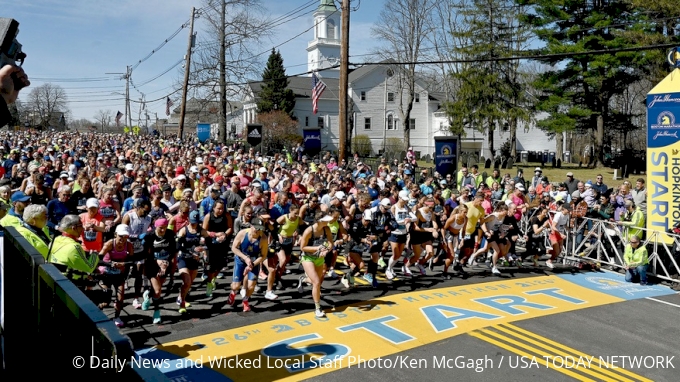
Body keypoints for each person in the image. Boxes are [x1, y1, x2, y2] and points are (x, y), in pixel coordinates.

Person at [227, 217, 268, 312]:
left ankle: (245, 300)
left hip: (254, 262)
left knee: (251, 285)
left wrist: (252, 264)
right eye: (256, 228)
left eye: (260, 228)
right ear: (251, 226)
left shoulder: (263, 238)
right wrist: (245, 258)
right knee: (235, 285)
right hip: (241, 260)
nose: (258, 231)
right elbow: (234, 248)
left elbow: (263, 255)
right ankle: (233, 292)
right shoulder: (242, 233)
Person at [141, 218, 178, 324]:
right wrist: (157, 262)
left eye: (165, 228)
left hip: (165, 264)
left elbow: (173, 251)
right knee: (157, 291)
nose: (163, 230)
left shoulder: (170, 234)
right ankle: (157, 312)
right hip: (152, 264)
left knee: (158, 289)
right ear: (155, 227)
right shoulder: (149, 236)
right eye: (161, 228)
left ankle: (147, 295)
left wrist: (168, 265)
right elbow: (145, 254)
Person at [298, 211, 334, 318]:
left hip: (319, 258)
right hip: (308, 257)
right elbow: (302, 247)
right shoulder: (309, 231)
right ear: (319, 221)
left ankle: (303, 279)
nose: (328, 222)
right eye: (326, 220)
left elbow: (331, 242)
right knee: (317, 282)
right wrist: (317, 248)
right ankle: (318, 308)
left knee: (316, 282)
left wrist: (326, 251)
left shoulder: (326, 229)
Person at [98, 224, 134, 327]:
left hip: (119, 275)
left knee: (120, 298)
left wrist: (124, 265)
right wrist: (111, 263)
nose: (123, 239)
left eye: (126, 236)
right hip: (106, 274)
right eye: (121, 236)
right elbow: (98, 260)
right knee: (106, 301)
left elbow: (131, 261)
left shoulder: (129, 245)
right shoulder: (109, 244)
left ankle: (117, 317)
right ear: (115, 234)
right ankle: (96, 312)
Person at [176, 210, 211, 313]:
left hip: (194, 259)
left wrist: (203, 250)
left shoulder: (201, 230)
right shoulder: (183, 231)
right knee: (186, 281)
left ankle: (180, 297)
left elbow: (209, 244)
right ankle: (182, 303)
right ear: (188, 220)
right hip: (183, 258)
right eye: (192, 222)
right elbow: (178, 247)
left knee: (189, 283)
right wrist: (192, 251)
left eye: (196, 222)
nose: (194, 224)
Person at [48, 215, 99, 286]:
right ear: (73, 228)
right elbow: (89, 268)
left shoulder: (54, 241)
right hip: (71, 285)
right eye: (81, 225)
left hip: (54, 280)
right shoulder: (75, 247)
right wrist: (94, 255)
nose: (83, 229)